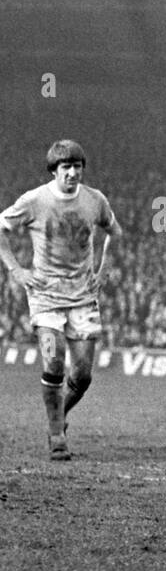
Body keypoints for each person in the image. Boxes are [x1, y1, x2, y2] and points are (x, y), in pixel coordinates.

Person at [0, 140, 121, 460]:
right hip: (46, 296)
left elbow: (114, 232)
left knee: (82, 375)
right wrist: (17, 271)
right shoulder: (35, 200)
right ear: (54, 171)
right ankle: (57, 435)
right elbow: (0, 229)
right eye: (65, 167)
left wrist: (104, 268)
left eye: (77, 166)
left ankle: (58, 416)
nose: (72, 173)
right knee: (53, 362)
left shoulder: (95, 201)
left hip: (82, 295)